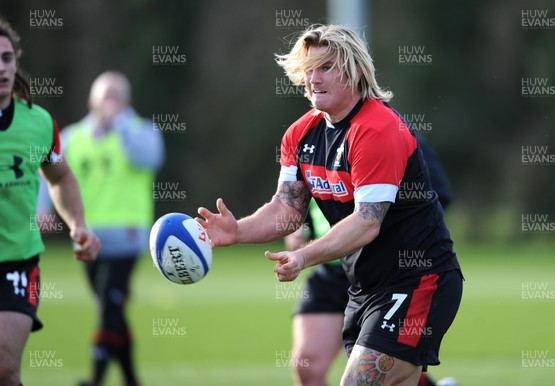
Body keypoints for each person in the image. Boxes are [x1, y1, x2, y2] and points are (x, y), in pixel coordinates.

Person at [197, 24, 462, 386]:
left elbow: (367, 222)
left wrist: (303, 257)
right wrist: (238, 230)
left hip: (418, 281)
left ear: (353, 71)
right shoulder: (300, 134)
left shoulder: (378, 129)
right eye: (308, 69)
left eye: (325, 68)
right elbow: (287, 210)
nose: (313, 79)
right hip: (364, 287)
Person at [285, 134, 454, 386]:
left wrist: (393, 227)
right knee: (307, 365)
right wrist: (301, 228)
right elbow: (311, 197)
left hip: (388, 272)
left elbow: (438, 194)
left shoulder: (396, 137)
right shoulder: (314, 140)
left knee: (378, 368)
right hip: (332, 271)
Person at [0, 17, 100, 386]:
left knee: (5, 369)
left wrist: (78, 225)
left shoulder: (38, 123)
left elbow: (60, 176)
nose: (2, 67)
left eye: (7, 58)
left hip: (17, 263)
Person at [59, 71, 164, 386]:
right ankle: (132, 379)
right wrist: (40, 212)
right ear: (93, 100)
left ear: (126, 101)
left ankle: (96, 379)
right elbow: (52, 177)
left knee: (109, 305)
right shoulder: (74, 137)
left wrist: (119, 128)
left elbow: (149, 159)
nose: (110, 102)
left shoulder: (140, 131)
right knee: (113, 311)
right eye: (105, 95)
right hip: (88, 237)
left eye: (116, 96)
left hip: (127, 237)